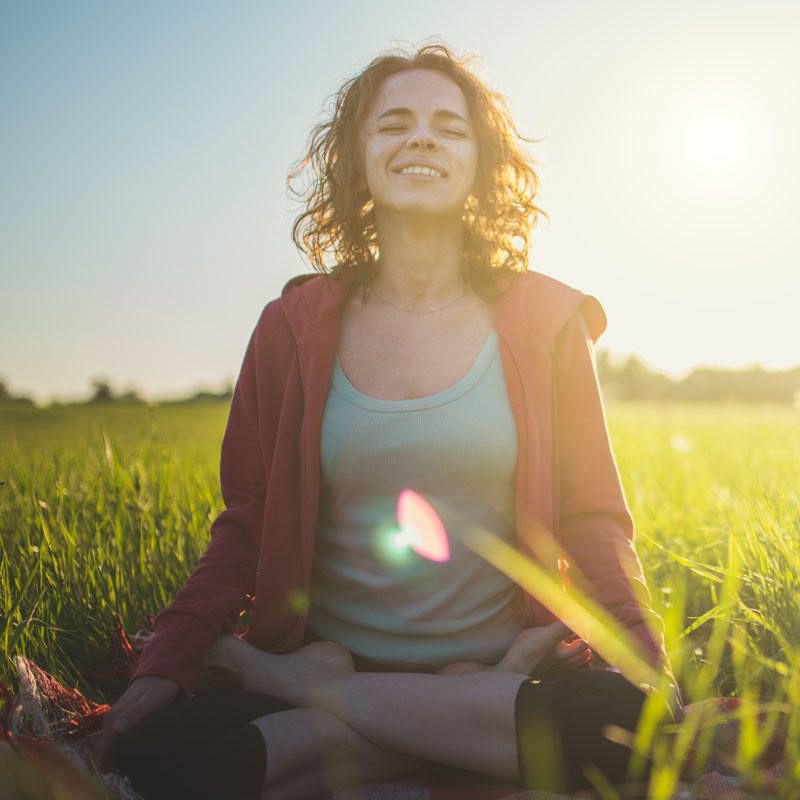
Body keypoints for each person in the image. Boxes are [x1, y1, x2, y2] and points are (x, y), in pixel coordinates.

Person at [95, 42, 672, 799]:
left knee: (638, 744)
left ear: (481, 163)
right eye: (393, 124)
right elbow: (246, 522)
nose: (421, 138)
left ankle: (309, 691)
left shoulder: (544, 323)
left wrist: (644, 665)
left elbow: (595, 520)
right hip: (421, 677)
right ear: (357, 159)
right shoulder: (291, 327)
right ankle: (447, 723)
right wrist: (170, 661)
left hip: (495, 668)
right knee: (147, 763)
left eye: (448, 127)